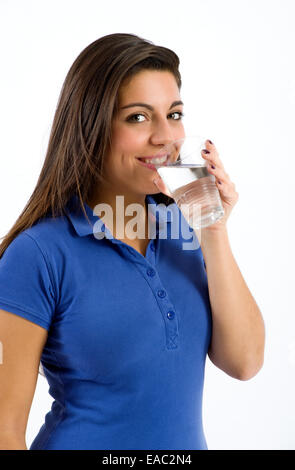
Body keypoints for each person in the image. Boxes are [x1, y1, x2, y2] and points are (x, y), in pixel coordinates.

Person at [0, 33, 265, 450]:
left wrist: (213, 228)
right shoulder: (38, 255)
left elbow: (245, 362)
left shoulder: (185, 230)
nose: (164, 137)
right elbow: (4, 430)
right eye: (138, 118)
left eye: (174, 114)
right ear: (91, 126)